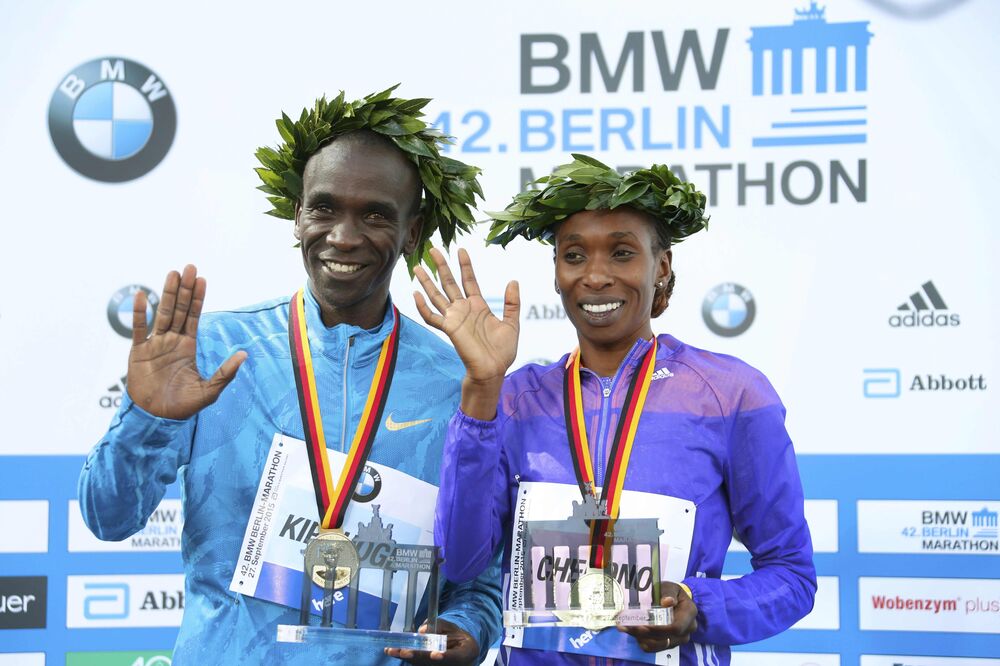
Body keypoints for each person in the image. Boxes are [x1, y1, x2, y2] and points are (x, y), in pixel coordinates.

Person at [78, 87, 501, 666]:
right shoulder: (215, 351)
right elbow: (108, 519)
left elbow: (480, 578)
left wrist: (467, 629)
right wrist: (146, 421)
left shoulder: (458, 382)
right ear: (298, 215)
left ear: (412, 230)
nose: (343, 236)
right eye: (324, 208)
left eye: (375, 214)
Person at [413, 155, 816, 665]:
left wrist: (699, 606)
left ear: (661, 267)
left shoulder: (731, 395)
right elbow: (462, 560)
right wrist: (481, 388)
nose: (596, 276)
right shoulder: (516, 399)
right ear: (556, 272)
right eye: (574, 256)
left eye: (622, 253)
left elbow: (792, 576)